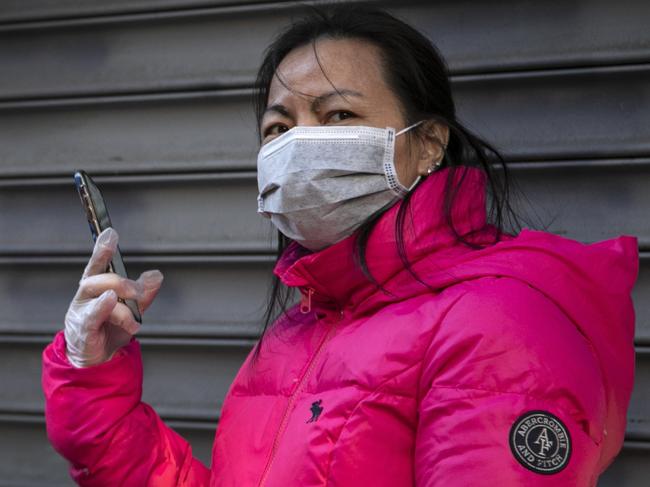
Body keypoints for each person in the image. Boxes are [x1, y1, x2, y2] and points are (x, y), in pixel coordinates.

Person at [41, 5, 639, 486]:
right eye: (278, 127)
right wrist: (92, 375)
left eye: (337, 115)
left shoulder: (498, 325)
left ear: (428, 143)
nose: (299, 143)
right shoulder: (303, 323)